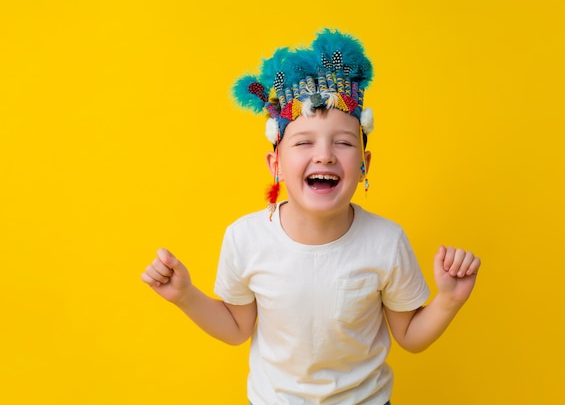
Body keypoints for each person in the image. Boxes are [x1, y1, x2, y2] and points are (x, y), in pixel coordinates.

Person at [141, 29, 481, 405]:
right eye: (304, 142)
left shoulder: (386, 241)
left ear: (364, 165)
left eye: (344, 142)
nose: (325, 155)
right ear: (277, 164)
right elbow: (238, 328)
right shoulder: (245, 238)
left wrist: (448, 300)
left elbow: (410, 337)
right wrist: (185, 295)